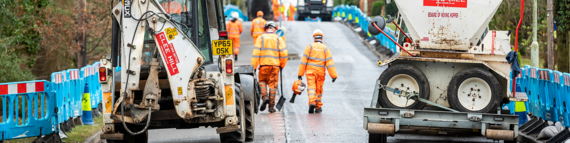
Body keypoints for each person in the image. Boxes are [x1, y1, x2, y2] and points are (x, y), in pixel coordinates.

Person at [297, 29, 338, 113]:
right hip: (320, 73)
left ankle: (312, 102)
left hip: (310, 72)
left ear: (314, 37)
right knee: (319, 89)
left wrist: (300, 74)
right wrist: (333, 76)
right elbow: (330, 63)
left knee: (311, 87)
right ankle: (318, 106)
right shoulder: (325, 48)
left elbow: (304, 61)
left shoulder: (309, 47)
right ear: (322, 38)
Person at [251, 22, 288, 113]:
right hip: (275, 66)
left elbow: (256, 54)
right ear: (275, 29)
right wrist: (282, 65)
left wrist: (254, 67)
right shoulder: (279, 39)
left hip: (264, 66)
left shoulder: (261, 38)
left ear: (265, 28)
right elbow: (284, 54)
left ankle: (264, 97)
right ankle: (271, 107)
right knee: (273, 86)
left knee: (262, 82)